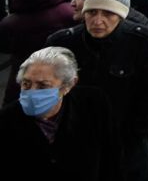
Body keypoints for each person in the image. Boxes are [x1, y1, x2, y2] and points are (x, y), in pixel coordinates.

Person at [46, 0, 148, 180]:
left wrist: (132, 136)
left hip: (127, 146)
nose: (98, 21)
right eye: (92, 12)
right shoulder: (62, 43)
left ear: (121, 16)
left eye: (108, 14)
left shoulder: (143, 42)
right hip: (79, 145)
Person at [0, 46, 121, 179]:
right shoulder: (6, 120)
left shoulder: (94, 104)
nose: (32, 92)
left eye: (43, 86)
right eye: (26, 84)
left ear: (68, 85)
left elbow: (111, 159)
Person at [0, 0, 77, 103]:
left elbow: (5, 47)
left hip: (21, 78)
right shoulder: (71, 14)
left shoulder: (9, 24)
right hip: (60, 76)